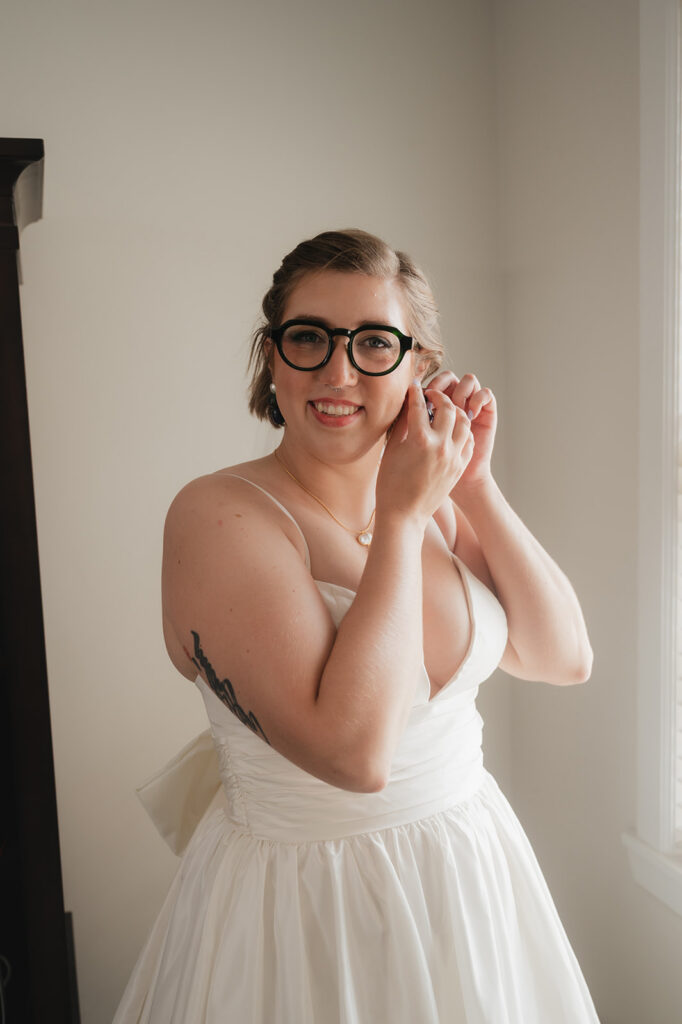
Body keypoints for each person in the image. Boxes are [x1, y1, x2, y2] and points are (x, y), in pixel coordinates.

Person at [112, 228, 600, 1023]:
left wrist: (472, 485)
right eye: (308, 338)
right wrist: (403, 517)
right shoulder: (221, 517)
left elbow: (563, 656)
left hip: (471, 874)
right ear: (272, 357)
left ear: (418, 367)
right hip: (309, 905)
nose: (337, 371)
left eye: (374, 342)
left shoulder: (437, 496)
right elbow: (354, 754)